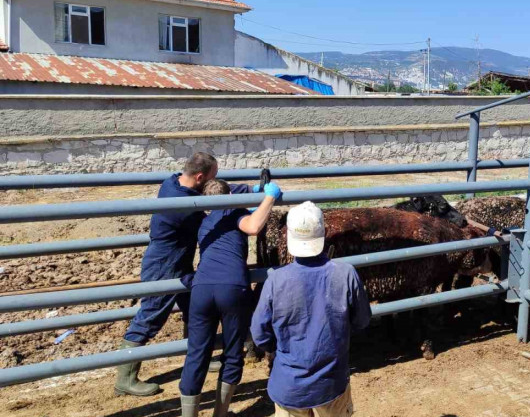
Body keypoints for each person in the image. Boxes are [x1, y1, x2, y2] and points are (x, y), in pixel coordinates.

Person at [251, 202, 371, 417]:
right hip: (331, 382)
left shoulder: (275, 280)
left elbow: (260, 333)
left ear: (288, 237)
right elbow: (361, 320)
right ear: (324, 233)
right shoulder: (345, 274)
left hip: (288, 384)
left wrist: (282, 350)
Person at [115, 152, 220, 397]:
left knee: (195, 307)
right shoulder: (183, 205)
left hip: (179, 261)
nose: (215, 181)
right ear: (200, 177)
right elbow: (210, 219)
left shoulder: (172, 182)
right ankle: (125, 378)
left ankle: (197, 356)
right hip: (164, 264)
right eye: (213, 178)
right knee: (151, 315)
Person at [179, 179, 282, 417]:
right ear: (231, 196)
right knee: (232, 354)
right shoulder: (237, 213)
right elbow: (254, 226)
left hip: (202, 288)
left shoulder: (205, 222)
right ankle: (221, 414)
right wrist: (270, 197)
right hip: (232, 289)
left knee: (196, 354)